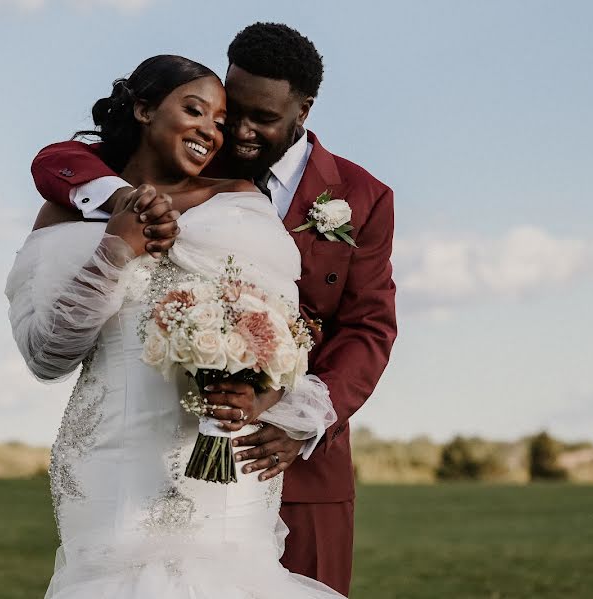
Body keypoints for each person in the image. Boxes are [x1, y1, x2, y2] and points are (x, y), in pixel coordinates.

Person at [26, 23, 397, 595]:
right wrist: (123, 201)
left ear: (304, 110)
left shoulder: (362, 195)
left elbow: (369, 326)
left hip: (302, 455)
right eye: (232, 110)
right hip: (164, 455)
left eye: (263, 119)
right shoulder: (200, 153)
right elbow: (60, 159)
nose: (239, 132)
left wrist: (296, 417)